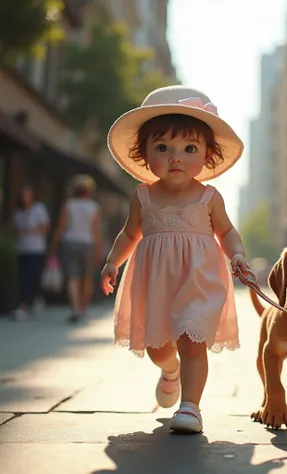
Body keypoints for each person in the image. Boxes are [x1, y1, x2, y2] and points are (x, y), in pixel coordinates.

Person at [101, 86, 249, 434]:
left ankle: (191, 407)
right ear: (145, 153)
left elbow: (226, 232)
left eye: (189, 149)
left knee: (194, 341)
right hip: (155, 283)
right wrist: (112, 262)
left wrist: (238, 255)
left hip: (199, 280)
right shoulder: (142, 196)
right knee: (158, 348)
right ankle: (170, 371)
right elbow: (129, 234)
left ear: (207, 155)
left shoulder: (209, 197)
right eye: (163, 148)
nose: (176, 157)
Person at [49, 174, 102, 323]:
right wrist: (98, 250)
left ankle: (75, 308)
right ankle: (83, 308)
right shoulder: (93, 207)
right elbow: (96, 231)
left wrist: (53, 246)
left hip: (70, 243)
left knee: (72, 277)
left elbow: (60, 228)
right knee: (87, 278)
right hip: (88, 244)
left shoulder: (69, 205)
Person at [12, 185, 50, 321]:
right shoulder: (18, 212)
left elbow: (45, 227)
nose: (25, 197)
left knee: (33, 276)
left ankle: (36, 298)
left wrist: (31, 231)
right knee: (23, 277)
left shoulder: (38, 209)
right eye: (23, 194)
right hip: (22, 249)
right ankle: (23, 305)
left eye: (27, 194)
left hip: (36, 249)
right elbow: (15, 230)